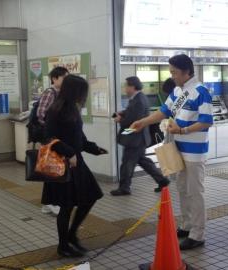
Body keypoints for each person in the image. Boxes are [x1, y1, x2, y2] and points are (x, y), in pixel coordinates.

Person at [130, 54, 213, 250]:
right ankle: (186, 225)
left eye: (174, 72)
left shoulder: (201, 91)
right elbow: (163, 112)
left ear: (186, 71)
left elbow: (207, 121)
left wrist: (182, 130)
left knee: (195, 191)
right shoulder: (177, 90)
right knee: (182, 189)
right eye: (171, 72)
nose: (172, 76)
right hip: (177, 147)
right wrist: (143, 122)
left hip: (195, 151)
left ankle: (198, 234)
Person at [42, 74, 107, 257]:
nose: (84, 96)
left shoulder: (72, 108)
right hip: (63, 163)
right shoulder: (56, 110)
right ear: (74, 91)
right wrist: (69, 152)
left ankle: (71, 235)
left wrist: (93, 148)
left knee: (91, 196)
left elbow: (78, 136)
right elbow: (48, 137)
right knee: (67, 206)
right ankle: (63, 246)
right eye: (82, 92)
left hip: (76, 162)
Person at [110, 76, 170, 196]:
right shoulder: (136, 98)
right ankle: (162, 180)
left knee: (127, 162)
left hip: (136, 138)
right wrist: (122, 114)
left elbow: (134, 119)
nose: (125, 89)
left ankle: (124, 187)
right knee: (143, 161)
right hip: (136, 137)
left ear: (133, 86)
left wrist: (120, 120)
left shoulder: (139, 100)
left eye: (126, 86)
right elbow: (130, 112)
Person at [37, 66, 69, 216]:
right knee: (52, 168)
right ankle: (51, 202)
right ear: (54, 78)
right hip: (51, 138)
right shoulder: (50, 93)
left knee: (53, 167)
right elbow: (41, 114)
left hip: (57, 137)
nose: (65, 80)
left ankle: (48, 202)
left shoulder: (62, 94)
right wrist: (53, 129)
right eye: (63, 77)